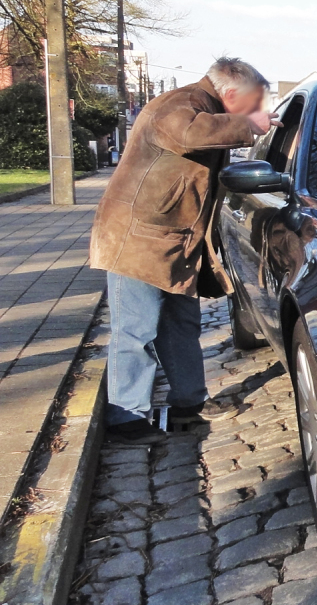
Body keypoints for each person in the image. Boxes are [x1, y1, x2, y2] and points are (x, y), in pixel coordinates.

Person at [88, 58, 277, 444]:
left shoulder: (204, 105)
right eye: (253, 103)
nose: (257, 111)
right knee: (135, 327)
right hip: (138, 239)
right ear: (230, 94)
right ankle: (126, 417)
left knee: (181, 323)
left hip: (173, 241)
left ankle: (188, 404)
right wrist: (247, 126)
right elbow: (189, 134)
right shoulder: (180, 105)